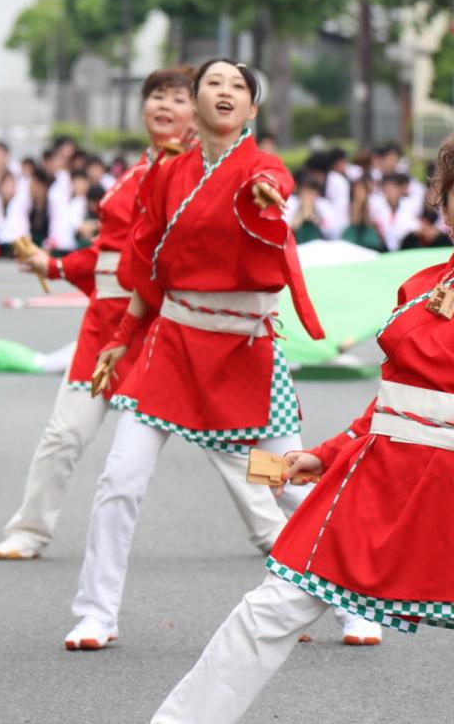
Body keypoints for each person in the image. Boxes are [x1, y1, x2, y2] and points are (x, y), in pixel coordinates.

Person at [153, 117, 454, 723]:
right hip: (375, 477)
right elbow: (391, 401)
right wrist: (326, 455)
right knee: (271, 608)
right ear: (442, 202)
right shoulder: (420, 284)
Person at [64, 59, 381, 653]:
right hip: (172, 352)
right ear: (197, 100)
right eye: (214, 83)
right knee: (120, 478)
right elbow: (147, 267)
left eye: (239, 87)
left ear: (252, 109)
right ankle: (95, 613)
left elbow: (274, 181)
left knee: (287, 481)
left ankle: (352, 604)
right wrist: (122, 337)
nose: (226, 92)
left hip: (244, 358)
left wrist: (271, 194)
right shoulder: (167, 176)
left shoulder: (260, 169)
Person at [0, 67, 206, 562]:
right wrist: (53, 265)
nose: (164, 105)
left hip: (159, 327)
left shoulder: (195, 173)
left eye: (177, 98)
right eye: (156, 96)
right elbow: (108, 253)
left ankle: (277, 533)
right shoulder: (135, 170)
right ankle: (29, 530)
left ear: (196, 113)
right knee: (64, 432)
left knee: (225, 441)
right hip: (103, 326)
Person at [342, 177, 387, 251]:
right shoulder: (346, 206)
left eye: (362, 190)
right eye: (357, 190)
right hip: (353, 236)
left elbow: (373, 223)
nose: (359, 193)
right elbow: (352, 223)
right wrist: (357, 206)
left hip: (368, 237)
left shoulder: (373, 205)